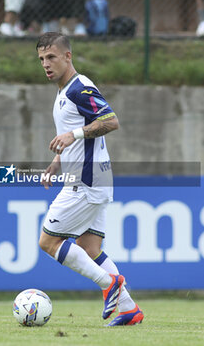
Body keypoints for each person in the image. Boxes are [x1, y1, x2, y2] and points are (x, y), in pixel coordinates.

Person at [36, 32, 144, 326]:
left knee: (48, 241)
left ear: (67, 56)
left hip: (87, 179)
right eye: (42, 59)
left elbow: (111, 121)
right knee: (89, 248)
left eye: (52, 57)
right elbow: (77, 130)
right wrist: (59, 159)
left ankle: (108, 283)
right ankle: (129, 309)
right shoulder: (63, 91)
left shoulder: (78, 88)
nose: (46, 64)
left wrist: (74, 134)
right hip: (91, 176)